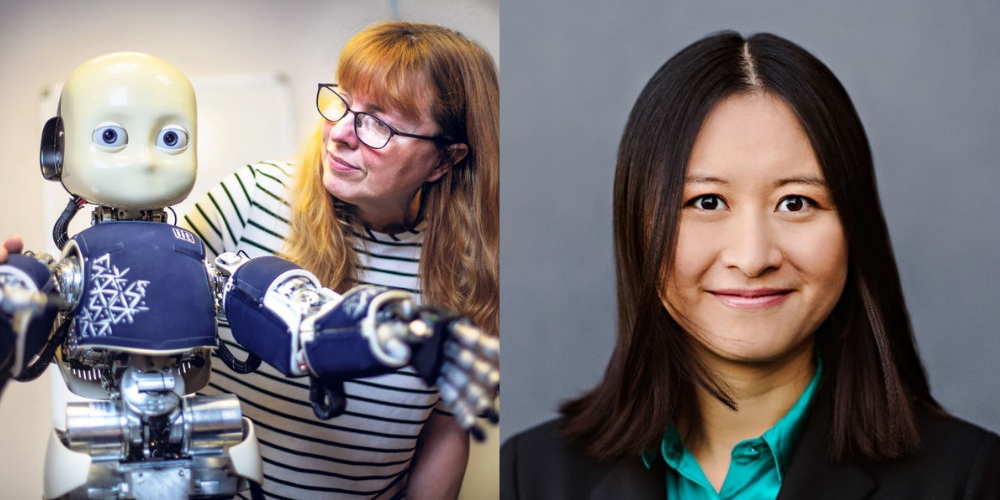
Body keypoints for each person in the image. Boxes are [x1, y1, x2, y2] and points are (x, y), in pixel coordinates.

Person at [500, 31, 1000, 500]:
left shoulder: (969, 478)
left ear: (855, 226)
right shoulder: (528, 476)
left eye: (796, 202)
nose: (753, 257)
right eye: (708, 202)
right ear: (637, 224)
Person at [180, 22, 498, 500]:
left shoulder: (477, 271)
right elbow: (139, 319)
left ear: (444, 160)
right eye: (344, 102)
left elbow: (446, 432)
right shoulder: (249, 199)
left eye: (380, 123)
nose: (341, 134)